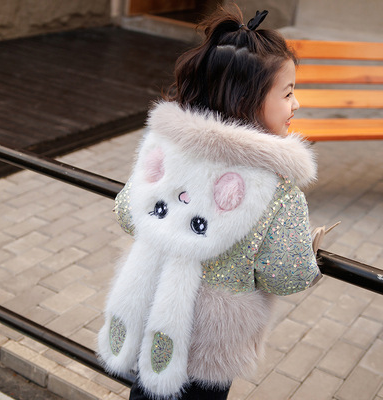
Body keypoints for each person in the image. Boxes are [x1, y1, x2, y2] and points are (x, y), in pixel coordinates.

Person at [98, 5, 321, 400]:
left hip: (149, 309)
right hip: (210, 346)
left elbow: (128, 213)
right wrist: (310, 255)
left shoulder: (168, 148)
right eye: (288, 93)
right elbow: (287, 275)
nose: (296, 104)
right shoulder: (278, 191)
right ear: (248, 99)